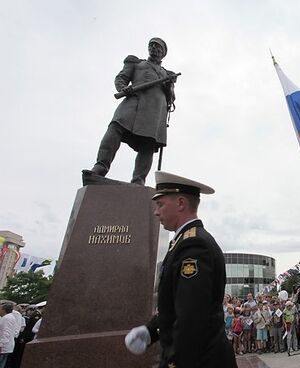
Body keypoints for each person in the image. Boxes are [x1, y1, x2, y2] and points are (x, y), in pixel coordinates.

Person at [124, 171, 236, 368]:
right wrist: (151, 331)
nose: (156, 212)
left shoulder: (194, 245)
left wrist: (173, 361)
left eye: (160, 204)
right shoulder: (184, 242)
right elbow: (177, 305)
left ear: (181, 203)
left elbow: (191, 317)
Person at [87, 38, 176, 185]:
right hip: (133, 102)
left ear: (163, 53)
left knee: (148, 144)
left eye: (158, 47)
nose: (154, 48)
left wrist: (168, 84)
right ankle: (100, 167)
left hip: (154, 111)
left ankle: (138, 180)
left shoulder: (167, 74)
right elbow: (121, 78)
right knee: (115, 128)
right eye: (151, 45)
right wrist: (123, 88)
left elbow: (171, 98)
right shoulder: (136, 63)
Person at [0, 304, 15, 368]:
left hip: (3, 347)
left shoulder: (7, 318)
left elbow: (6, 333)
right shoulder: (9, 317)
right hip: (6, 346)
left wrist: (1, 345)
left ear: (4, 310)